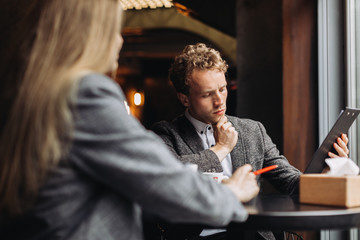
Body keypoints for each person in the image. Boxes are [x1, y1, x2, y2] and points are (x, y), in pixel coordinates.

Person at [0, 1, 261, 240]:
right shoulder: (85, 93)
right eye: (113, 30)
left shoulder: (28, 93)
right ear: (91, 35)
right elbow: (162, 182)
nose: (119, 41)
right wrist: (231, 193)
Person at [152, 43, 349, 240]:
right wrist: (221, 148)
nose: (219, 100)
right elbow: (170, 177)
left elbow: (291, 183)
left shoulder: (252, 131)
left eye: (222, 89)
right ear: (184, 99)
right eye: (207, 94)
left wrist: (324, 174)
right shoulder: (166, 134)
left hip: (251, 234)